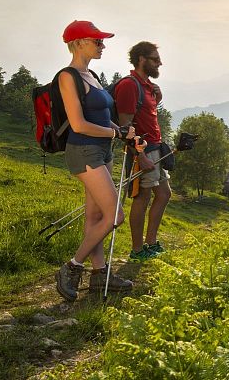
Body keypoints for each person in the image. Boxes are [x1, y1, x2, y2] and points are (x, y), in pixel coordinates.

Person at [55, 20, 138, 302]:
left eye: (102, 41)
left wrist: (122, 133)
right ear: (79, 43)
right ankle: (72, 267)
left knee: (96, 216)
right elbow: (78, 124)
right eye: (97, 41)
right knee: (115, 215)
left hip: (102, 151)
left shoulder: (91, 75)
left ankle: (99, 274)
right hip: (84, 151)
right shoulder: (68, 77)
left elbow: (102, 117)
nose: (103, 45)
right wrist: (116, 132)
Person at [113, 41, 171, 262]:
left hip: (156, 149)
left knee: (164, 194)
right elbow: (125, 127)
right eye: (155, 59)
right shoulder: (129, 85)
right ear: (141, 59)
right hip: (143, 152)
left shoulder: (147, 86)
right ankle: (137, 250)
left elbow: (147, 116)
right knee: (142, 197)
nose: (160, 63)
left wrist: (158, 98)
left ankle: (151, 242)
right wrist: (140, 155)